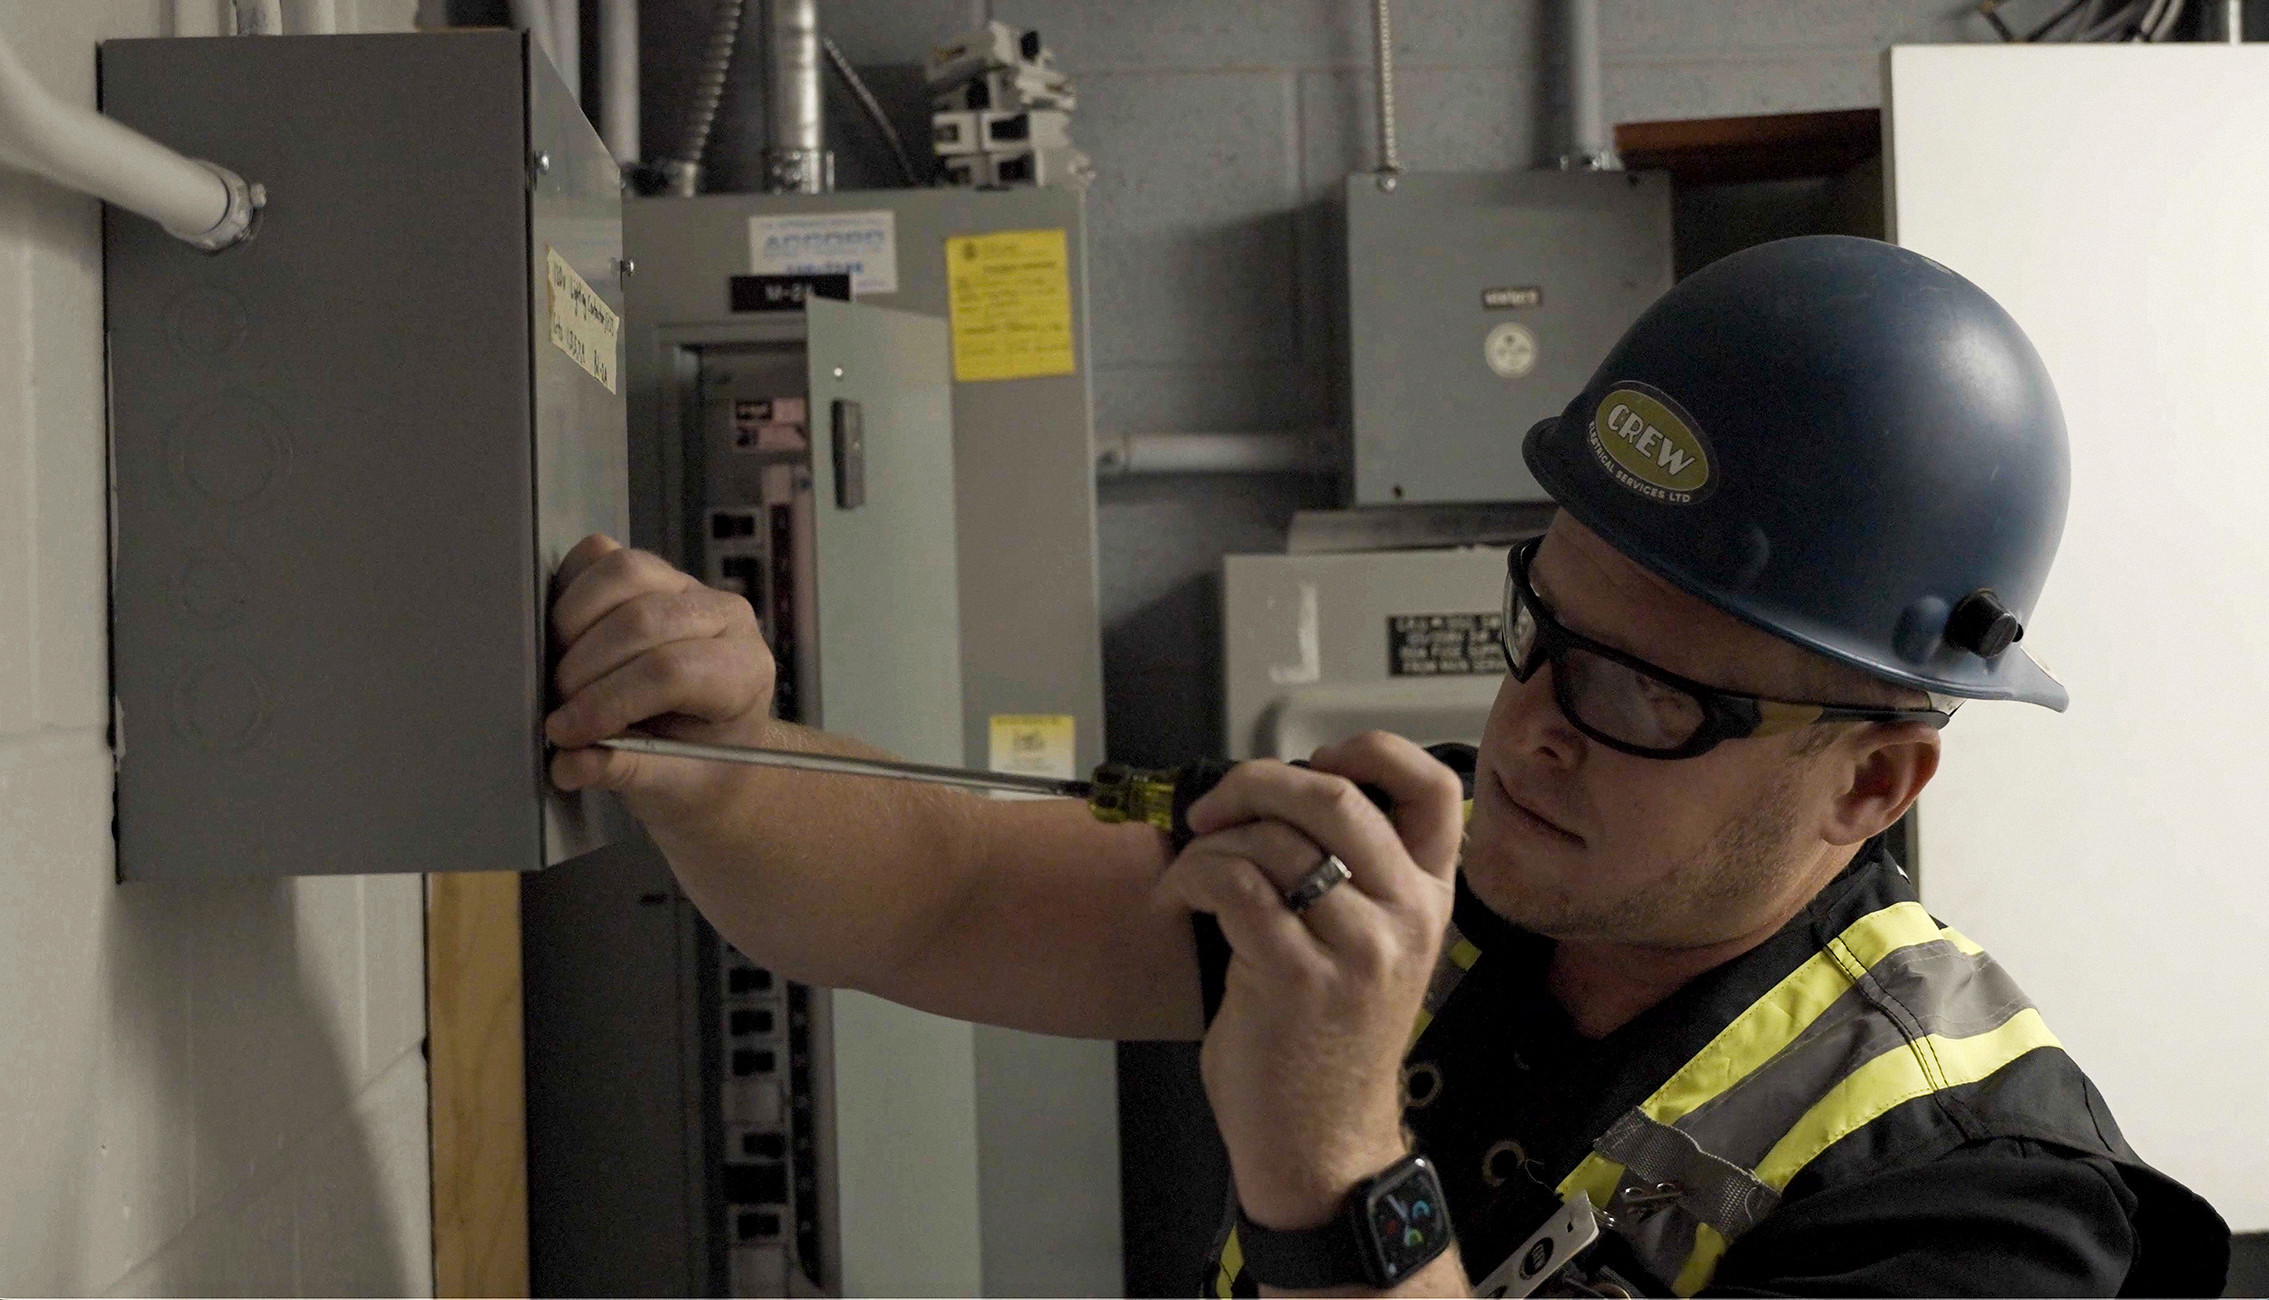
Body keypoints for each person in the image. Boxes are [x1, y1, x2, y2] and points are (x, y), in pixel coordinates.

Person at [541, 236, 2228, 1296]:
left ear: (1873, 784)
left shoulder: (1976, 1207)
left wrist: (1337, 1170)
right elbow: (945, 890)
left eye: (1645, 697)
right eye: (1539, 629)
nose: (1527, 728)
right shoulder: (1447, 859)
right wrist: (721, 746)